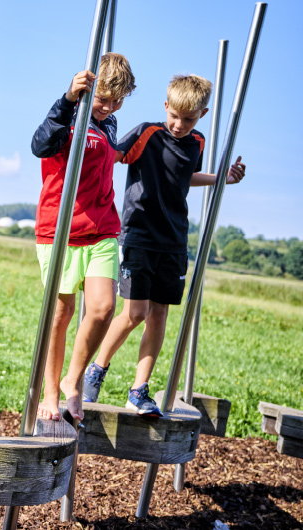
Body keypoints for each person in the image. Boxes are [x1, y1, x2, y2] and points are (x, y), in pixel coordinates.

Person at [82, 74, 246, 416]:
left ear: (201, 114)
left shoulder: (197, 142)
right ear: (166, 106)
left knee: (159, 315)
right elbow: (113, 156)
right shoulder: (147, 132)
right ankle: (95, 371)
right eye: (175, 115)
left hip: (173, 240)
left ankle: (139, 390)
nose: (179, 124)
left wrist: (221, 178)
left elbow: (184, 177)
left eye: (189, 119)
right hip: (139, 233)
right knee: (135, 313)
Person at [31, 53, 136, 422]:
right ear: (88, 89)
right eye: (103, 98)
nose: (109, 107)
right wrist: (67, 99)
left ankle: (72, 381)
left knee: (104, 307)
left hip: (103, 228)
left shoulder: (109, 124)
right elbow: (39, 146)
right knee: (60, 312)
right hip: (59, 227)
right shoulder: (68, 116)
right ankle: (49, 391)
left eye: (117, 100)